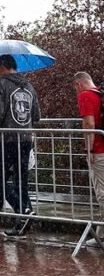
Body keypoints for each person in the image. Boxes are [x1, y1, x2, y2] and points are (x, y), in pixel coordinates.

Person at [0, 54, 40, 238]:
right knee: (21, 181)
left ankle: (23, 212)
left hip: (8, 139)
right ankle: (22, 224)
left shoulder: (2, 84)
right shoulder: (29, 86)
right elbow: (36, 116)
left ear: (2, 67)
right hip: (26, 139)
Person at [75, 71, 104, 245]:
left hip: (99, 150)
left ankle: (103, 237)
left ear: (79, 84)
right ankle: (100, 235)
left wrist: (89, 150)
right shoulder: (101, 94)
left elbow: (89, 124)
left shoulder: (86, 95)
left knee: (101, 193)